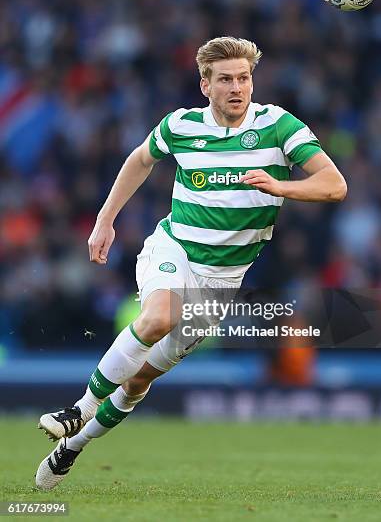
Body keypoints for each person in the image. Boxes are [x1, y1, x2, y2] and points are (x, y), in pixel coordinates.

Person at [35, 36, 347, 490]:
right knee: (159, 315)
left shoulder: (279, 126)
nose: (237, 88)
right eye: (225, 80)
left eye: (244, 78)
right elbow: (141, 159)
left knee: (139, 381)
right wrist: (106, 219)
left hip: (220, 283)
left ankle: (73, 446)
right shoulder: (181, 126)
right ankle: (78, 409)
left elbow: (334, 185)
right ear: (206, 85)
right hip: (174, 247)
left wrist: (284, 188)